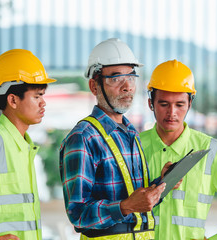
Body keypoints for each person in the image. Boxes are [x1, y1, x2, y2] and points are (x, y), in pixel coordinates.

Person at [59, 38, 167, 240]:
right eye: (116, 78)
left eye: (131, 77)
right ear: (94, 86)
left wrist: (160, 184)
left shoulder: (130, 132)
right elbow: (78, 214)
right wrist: (125, 207)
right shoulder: (83, 137)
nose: (127, 86)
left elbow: (133, 200)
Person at [140, 59, 217, 240]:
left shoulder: (212, 151)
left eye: (179, 104)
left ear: (190, 104)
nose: (172, 112)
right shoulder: (133, 147)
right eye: (164, 104)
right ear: (151, 103)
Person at [0, 49, 56, 240]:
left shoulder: (23, 147)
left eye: (43, 95)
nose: (43, 103)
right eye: (37, 96)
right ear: (12, 100)